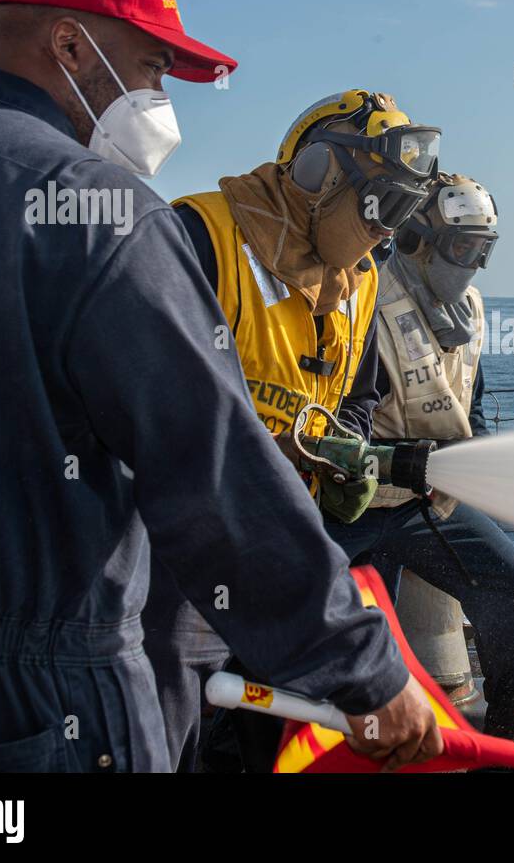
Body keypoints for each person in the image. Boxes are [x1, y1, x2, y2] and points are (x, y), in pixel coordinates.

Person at [0, 0, 440, 772]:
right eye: (148, 69)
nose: (157, 98)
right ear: (69, 44)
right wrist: (362, 665)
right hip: (46, 698)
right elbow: (209, 465)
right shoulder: (98, 211)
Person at [144, 89, 442, 771]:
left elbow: (359, 393)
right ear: (320, 176)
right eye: (383, 205)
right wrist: (263, 453)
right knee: (167, 739)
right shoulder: (200, 237)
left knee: (273, 746)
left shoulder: (363, 279)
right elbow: (146, 408)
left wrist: (345, 448)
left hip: (281, 555)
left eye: (403, 211)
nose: (388, 233)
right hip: (179, 567)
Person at [324, 173, 514, 741]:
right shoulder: (360, 297)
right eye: (460, 246)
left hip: (427, 503)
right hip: (346, 506)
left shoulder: (470, 311)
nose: (471, 262)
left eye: (482, 249)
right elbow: (335, 414)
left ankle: (502, 730)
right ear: (414, 239)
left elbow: (470, 403)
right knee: (291, 613)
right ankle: (236, 742)